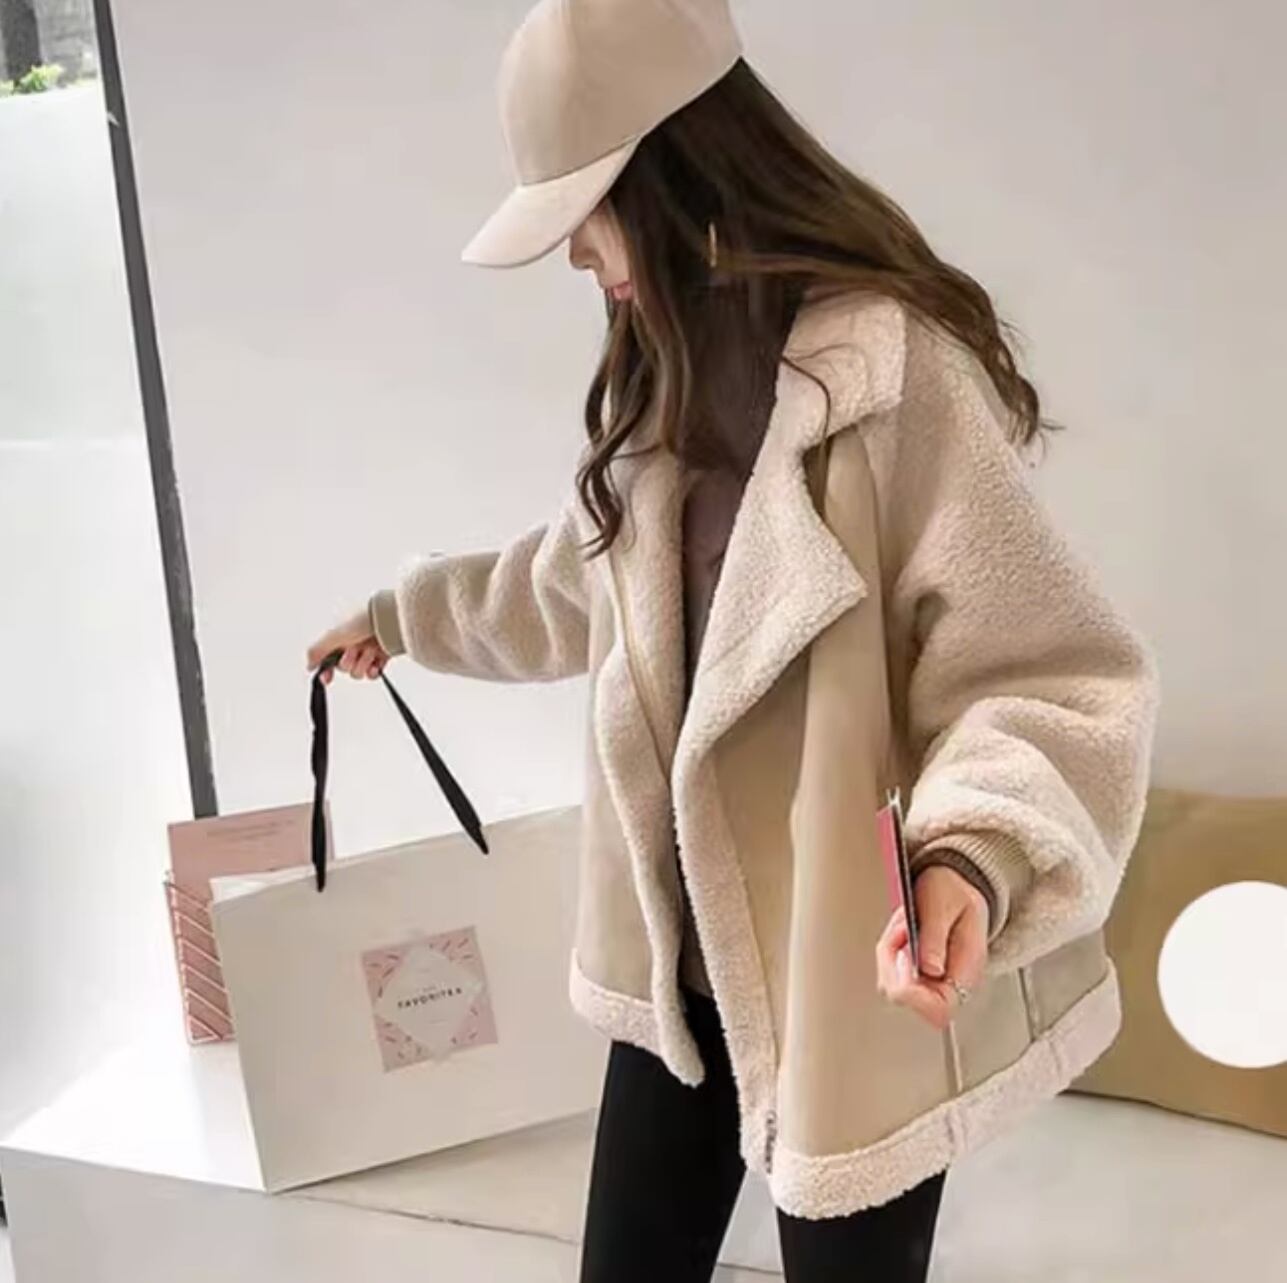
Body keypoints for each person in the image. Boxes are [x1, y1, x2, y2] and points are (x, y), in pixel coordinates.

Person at [306, 2, 1160, 1280]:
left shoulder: (891, 376)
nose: (574, 253)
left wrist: (971, 855)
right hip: (677, 971)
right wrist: (401, 617)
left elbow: (1049, 667)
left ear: (672, 170)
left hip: (849, 972)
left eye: (586, 210)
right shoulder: (666, 376)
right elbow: (576, 582)